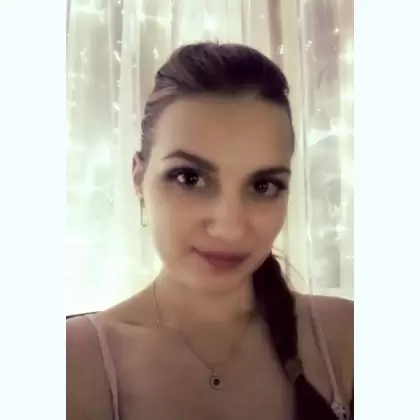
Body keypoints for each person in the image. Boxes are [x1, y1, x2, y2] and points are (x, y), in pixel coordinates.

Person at [67, 42, 353, 420]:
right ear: (139, 178)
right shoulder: (74, 363)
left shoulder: (345, 337)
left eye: (263, 186)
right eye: (189, 178)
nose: (230, 228)